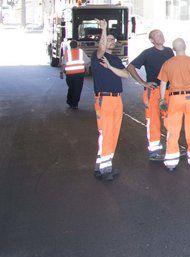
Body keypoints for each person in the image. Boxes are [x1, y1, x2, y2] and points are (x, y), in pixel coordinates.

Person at [158, 39, 190, 171]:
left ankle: (171, 162)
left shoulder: (168, 64)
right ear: (185, 46)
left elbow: (163, 84)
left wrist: (162, 99)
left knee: (173, 129)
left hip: (174, 99)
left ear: (173, 49)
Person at [89, 19, 129, 181]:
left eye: (113, 40)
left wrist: (111, 68)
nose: (112, 42)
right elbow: (101, 47)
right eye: (109, 39)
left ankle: (102, 165)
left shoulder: (115, 60)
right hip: (104, 99)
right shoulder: (97, 56)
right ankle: (106, 169)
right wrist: (104, 29)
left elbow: (125, 74)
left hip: (117, 99)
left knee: (112, 133)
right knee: (106, 133)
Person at [127, 30, 174, 161]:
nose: (161, 36)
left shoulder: (169, 51)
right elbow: (130, 67)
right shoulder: (147, 53)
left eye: (162, 33)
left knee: (170, 119)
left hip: (168, 91)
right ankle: (154, 150)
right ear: (152, 40)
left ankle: (172, 147)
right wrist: (143, 82)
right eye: (158, 35)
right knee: (153, 120)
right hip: (153, 91)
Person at [60, 40, 89, 109]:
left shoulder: (67, 53)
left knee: (71, 88)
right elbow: (87, 62)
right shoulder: (81, 52)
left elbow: (63, 64)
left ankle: (70, 102)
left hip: (70, 74)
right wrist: (87, 70)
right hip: (79, 74)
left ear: (70, 46)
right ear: (77, 45)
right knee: (78, 89)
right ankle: (75, 104)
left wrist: (61, 73)